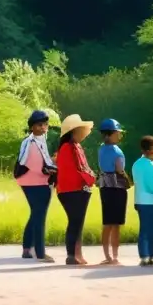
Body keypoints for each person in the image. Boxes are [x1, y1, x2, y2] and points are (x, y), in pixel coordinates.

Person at [15, 109, 57, 262]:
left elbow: (43, 161)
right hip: (33, 182)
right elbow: (24, 161)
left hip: (40, 181)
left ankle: (27, 249)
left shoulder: (41, 141)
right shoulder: (29, 141)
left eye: (45, 124)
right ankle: (40, 253)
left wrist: (50, 165)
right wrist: (47, 169)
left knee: (35, 214)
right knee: (40, 216)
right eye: (39, 124)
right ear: (32, 126)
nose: (42, 127)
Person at [55, 114, 96, 266]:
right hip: (72, 190)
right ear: (73, 131)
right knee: (75, 223)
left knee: (77, 223)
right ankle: (72, 255)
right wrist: (90, 177)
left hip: (76, 189)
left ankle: (76, 254)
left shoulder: (75, 146)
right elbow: (75, 171)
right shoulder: (68, 147)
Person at [97, 118, 131, 265]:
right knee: (116, 223)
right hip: (117, 186)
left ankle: (107, 255)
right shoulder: (117, 151)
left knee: (107, 222)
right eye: (117, 133)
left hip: (104, 185)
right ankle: (115, 256)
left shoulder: (100, 149)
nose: (119, 135)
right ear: (110, 134)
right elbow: (119, 169)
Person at [131, 136, 153, 267]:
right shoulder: (152, 166)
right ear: (151, 150)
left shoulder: (136, 164)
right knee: (150, 229)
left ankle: (144, 255)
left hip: (139, 200)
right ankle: (149, 255)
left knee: (144, 228)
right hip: (150, 201)